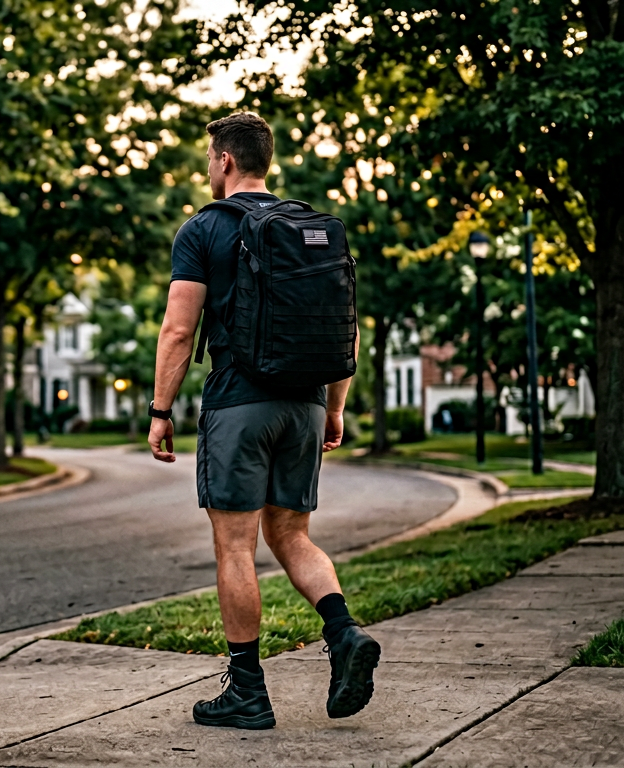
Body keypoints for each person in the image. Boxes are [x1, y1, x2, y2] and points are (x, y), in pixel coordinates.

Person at [146, 112, 378, 730]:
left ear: (225, 161)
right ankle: (345, 633)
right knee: (292, 535)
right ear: (265, 161)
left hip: (239, 402)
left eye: (209, 156)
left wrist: (160, 410)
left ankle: (247, 690)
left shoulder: (203, 230)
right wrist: (333, 408)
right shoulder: (310, 227)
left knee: (236, 546)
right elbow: (342, 326)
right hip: (305, 402)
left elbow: (177, 330)